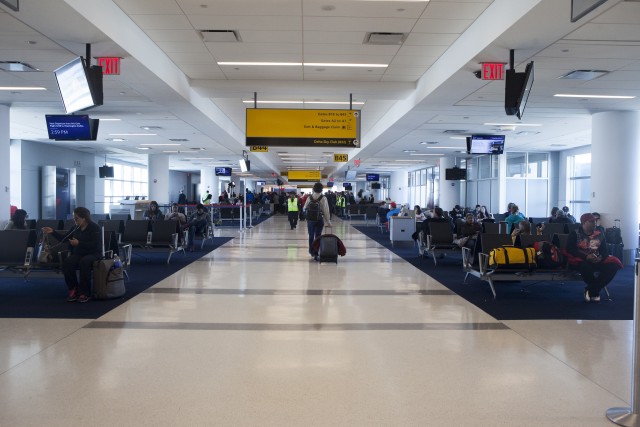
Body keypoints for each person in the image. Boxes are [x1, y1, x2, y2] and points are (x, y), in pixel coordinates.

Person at [42, 207, 101, 303]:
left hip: (93, 253)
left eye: (76, 218)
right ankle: (73, 288)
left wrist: (79, 243)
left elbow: (95, 245)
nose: (74, 220)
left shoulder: (95, 228)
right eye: (74, 218)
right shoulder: (75, 228)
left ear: (84, 218)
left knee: (84, 262)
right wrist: (53, 232)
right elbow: (64, 239)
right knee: (68, 263)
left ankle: (84, 292)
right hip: (80, 253)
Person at [567, 213, 622, 302]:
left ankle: (591, 289)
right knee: (586, 267)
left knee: (613, 266)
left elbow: (605, 251)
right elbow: (570, 249)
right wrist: (586, 257)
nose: (594, 223)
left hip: (596, 259)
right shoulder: (575, 233)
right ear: (584, 222)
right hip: (580, 260)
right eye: (591, 221)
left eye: (595, 221)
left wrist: (600, 257)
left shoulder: (600, 234)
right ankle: (595, 292)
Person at [303, 182, 332, 258]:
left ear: (313, 189)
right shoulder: (323, 198)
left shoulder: (309, 197)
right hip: (319, 219)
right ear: (321, 190)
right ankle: (316, 252)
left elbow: (304, 208)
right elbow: (326, 210)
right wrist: (328, 221)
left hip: (310, 220)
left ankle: (311, 252)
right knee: (318, 236)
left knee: (311, 236)